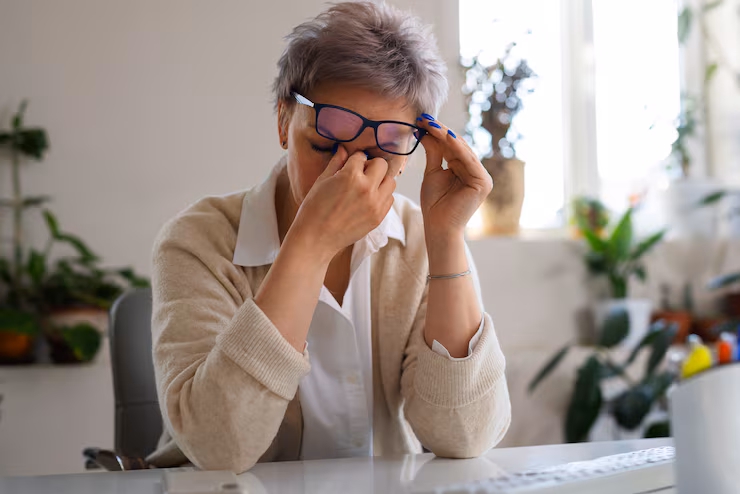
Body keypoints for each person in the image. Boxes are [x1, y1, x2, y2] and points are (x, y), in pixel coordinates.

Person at [147, 1, 510, 473]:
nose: (349, 173)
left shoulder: (422, 239)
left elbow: (465, 436)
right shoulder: (198, 241)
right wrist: (311, 243)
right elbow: (219, 447)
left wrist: (446, 240)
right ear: (283, 122)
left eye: (380, 151)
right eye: (324, 143)